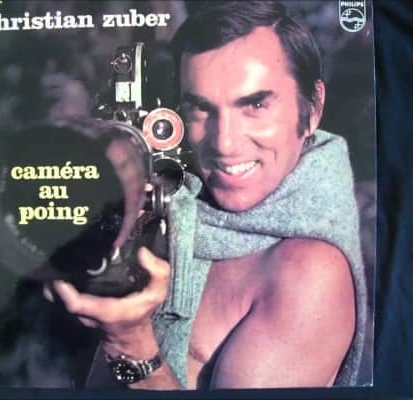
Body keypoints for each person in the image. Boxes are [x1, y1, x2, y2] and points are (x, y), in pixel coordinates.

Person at [45, 1, 368, 389]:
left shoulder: (308, 271)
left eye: (255, 105)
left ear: (312, 108)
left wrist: (130, 344)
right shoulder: (178, 205)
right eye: (200, 109)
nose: (224, 143)